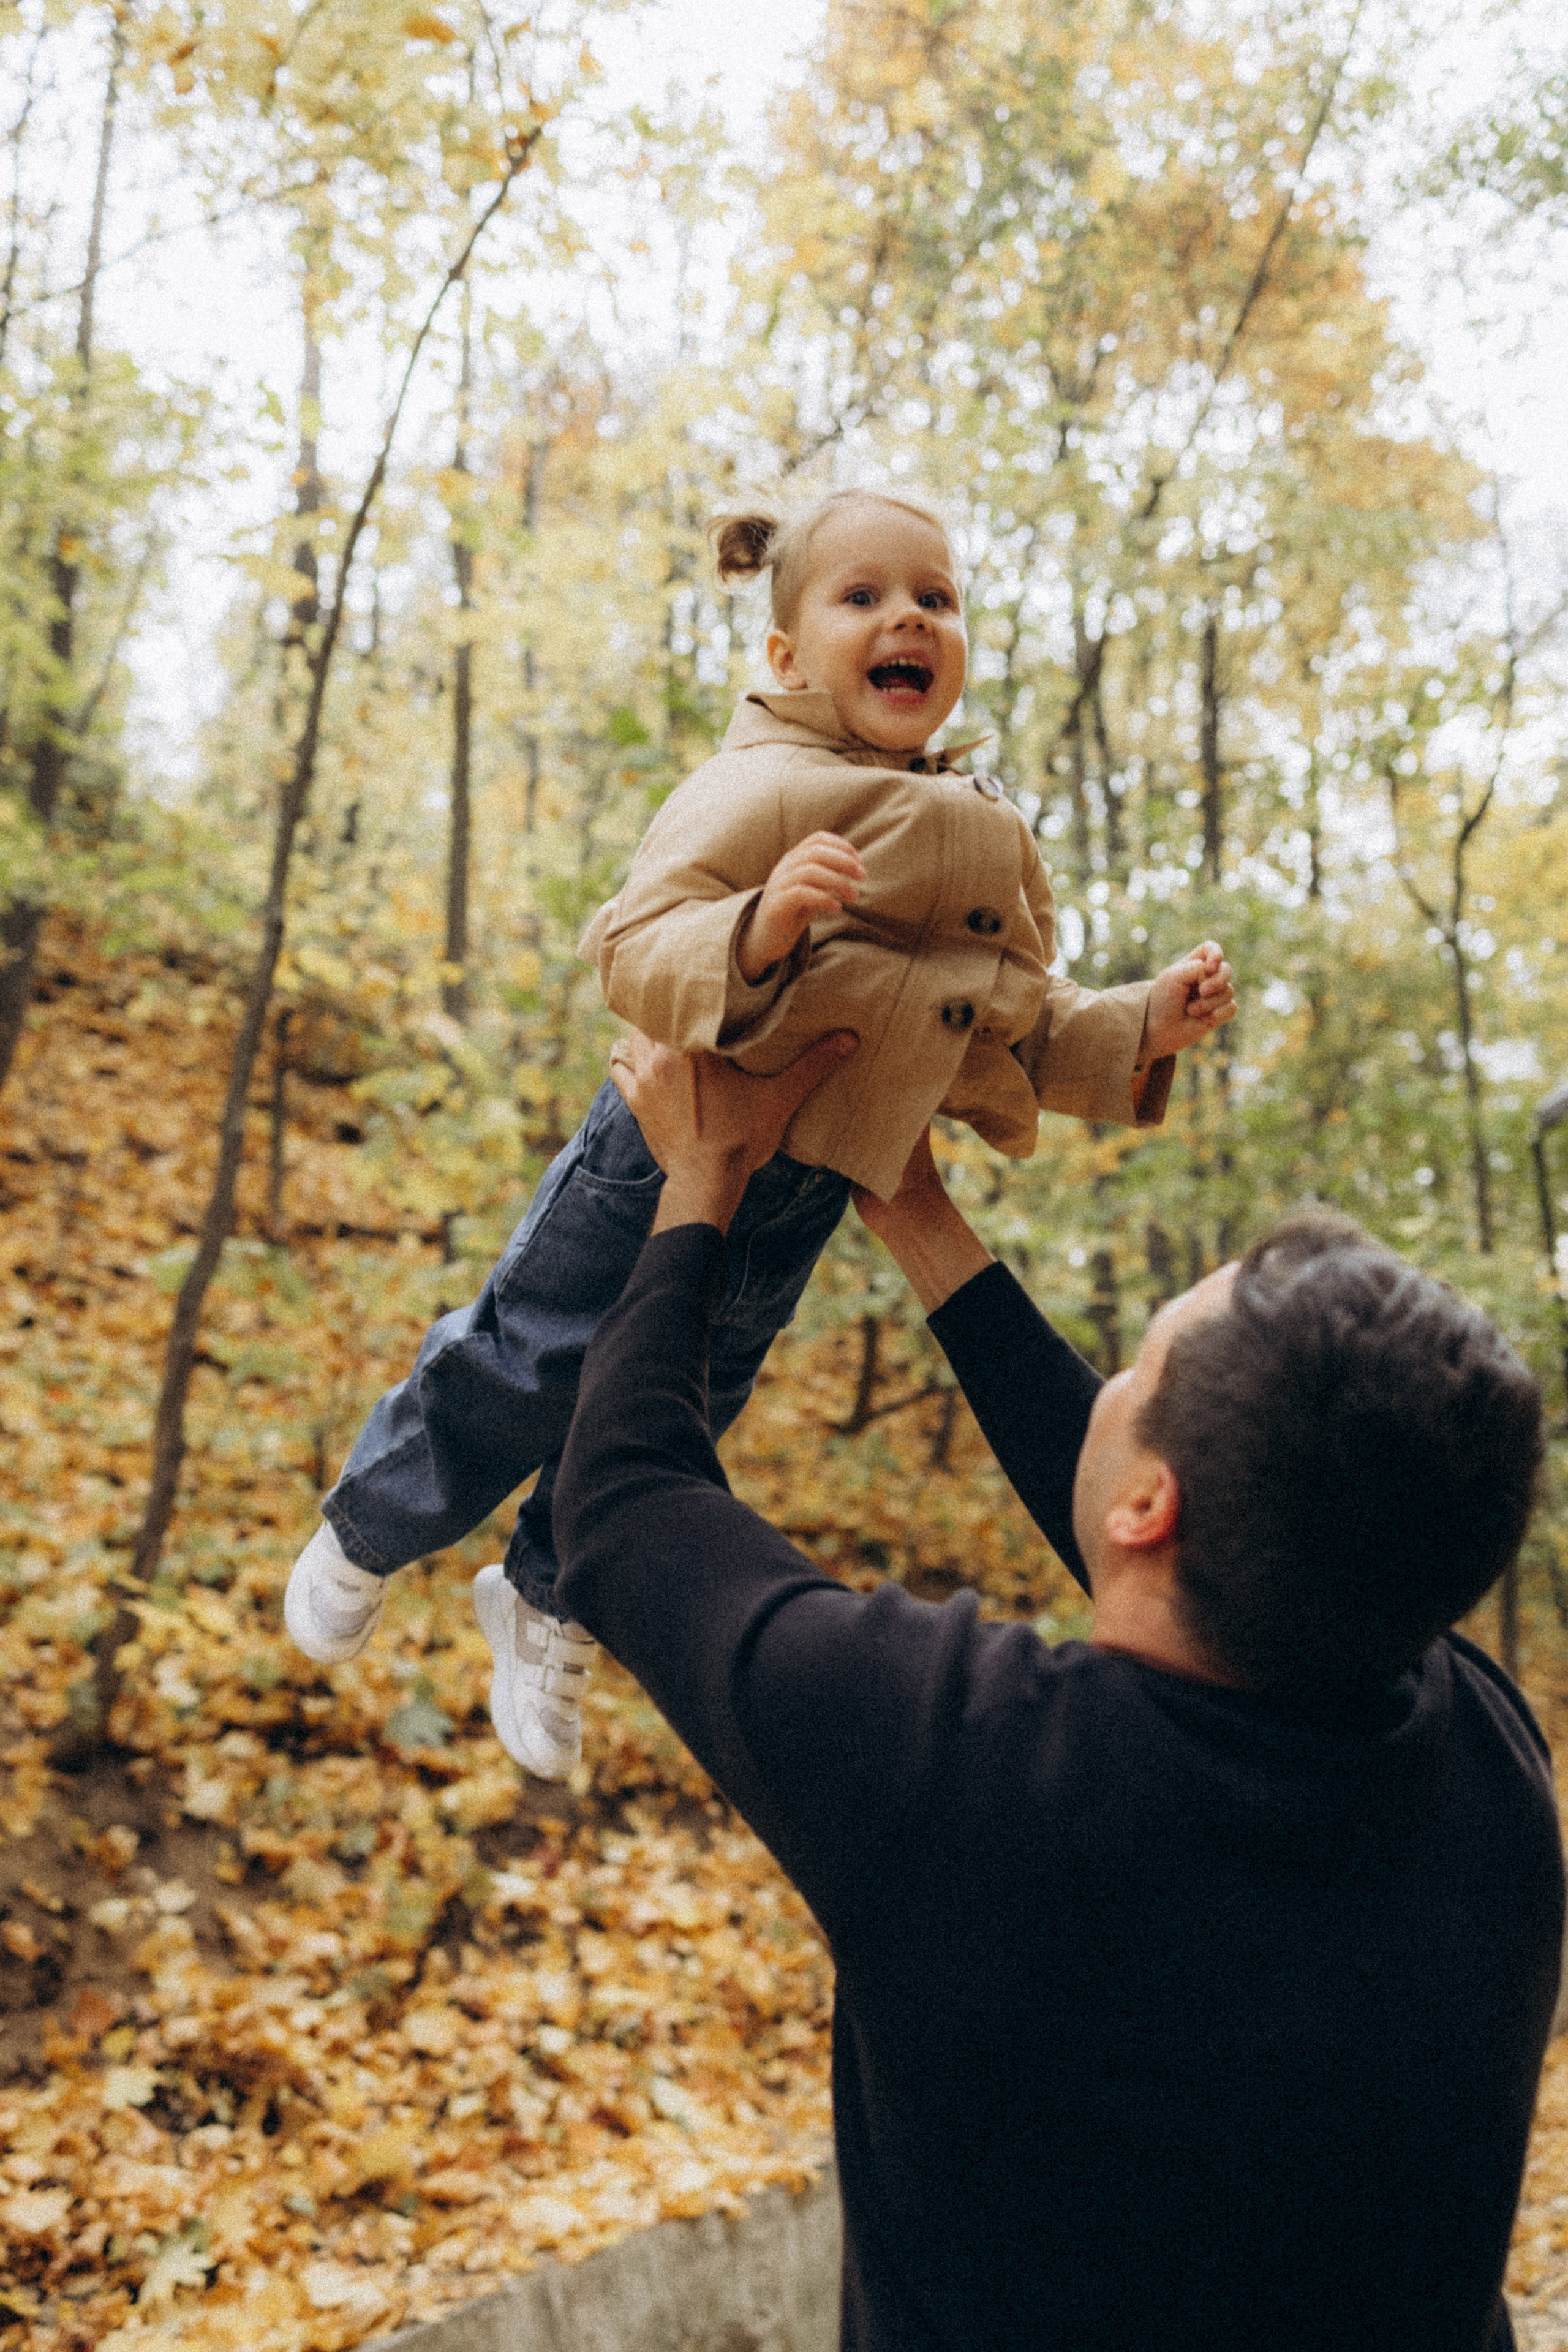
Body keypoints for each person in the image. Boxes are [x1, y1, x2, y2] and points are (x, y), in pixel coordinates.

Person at [551, 1028, 1562, 2352]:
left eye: (1134, 1368)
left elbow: (624, 1503)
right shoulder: (1487, 1769)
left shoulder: (968, 1781)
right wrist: (913, 1212)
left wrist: (700, 1178)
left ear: (1152, 1499)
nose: (1110, 1390)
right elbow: (1192, 1516)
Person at [285, 486, 1235, 1779]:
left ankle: (546, 1599)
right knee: (539, 1355)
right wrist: (761, 928)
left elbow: (1008, 1019)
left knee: (680, 1399)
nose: (907, 616)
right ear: (785, 655)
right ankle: (372, 1519)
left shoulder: (983, 836)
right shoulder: (759, 786)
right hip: (655, 1150)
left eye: (935, 598)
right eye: (863, 597)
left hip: (802, 1191)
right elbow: (632, 941)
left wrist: (1135, 1030)